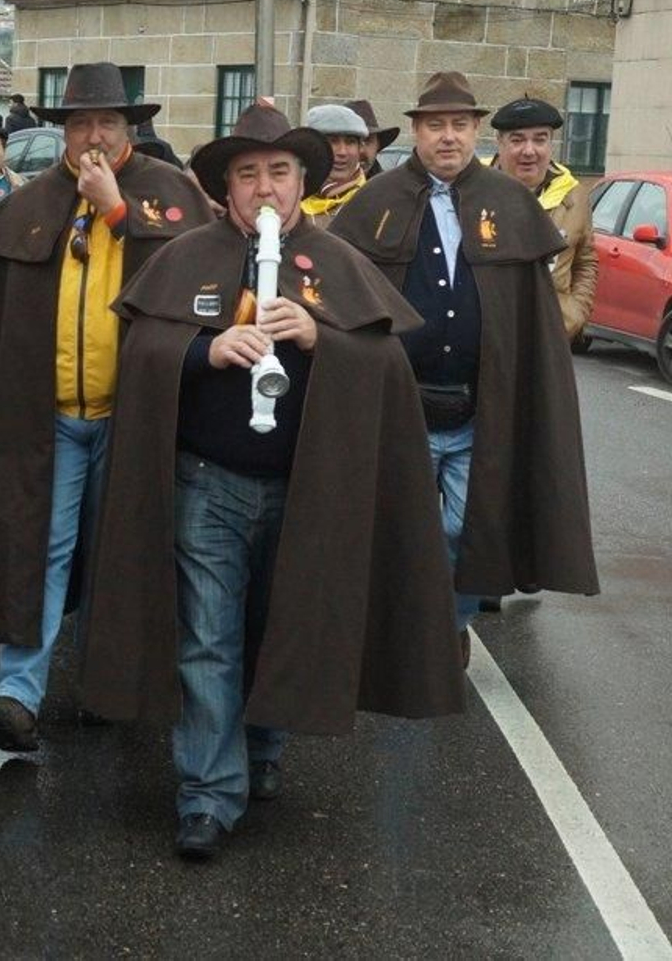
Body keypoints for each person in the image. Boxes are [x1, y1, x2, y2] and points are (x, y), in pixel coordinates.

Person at [78, 103, 464, 860]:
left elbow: (386, 368)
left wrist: (326, 340)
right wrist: (204, 349)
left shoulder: (339, 259)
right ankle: (207, 793)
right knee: (207, 640)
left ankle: (261, 751)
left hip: (305, 490)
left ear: (301, 184)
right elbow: (146, 353)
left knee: (278, 627)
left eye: (278, 173)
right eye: (247, 174)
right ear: (224, 188)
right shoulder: (186, 254)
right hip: (206, 483)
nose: (264, 189)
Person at [0, 61, 213, 752]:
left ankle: (106, 683)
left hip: (135, 420)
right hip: (52, 420)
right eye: (81, 123)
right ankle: (16, 693)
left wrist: (117, 210)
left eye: (108, 123)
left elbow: (186, 285)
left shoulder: (168, 194)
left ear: (130, 128)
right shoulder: (33, 204)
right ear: (62, 131)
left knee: (116, 553)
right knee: (45, 548)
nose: (94, 136)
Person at [331, 72, 599, 660]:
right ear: (416, 132)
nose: (447, 138)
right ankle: (410, 636)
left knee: (462, 528)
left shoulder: (509, 203)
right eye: (434, 126)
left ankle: (448, 624)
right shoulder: (374, 202)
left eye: (458, 125)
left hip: (480, 408)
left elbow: (532, 308)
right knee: (402, 529)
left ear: (476, 131)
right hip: (401, 407)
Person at [490, 96, 598, 340]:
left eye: (540, 139)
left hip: (551, 336)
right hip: (488, 336)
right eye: (517, 140)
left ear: (551, 143)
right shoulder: (473, 190)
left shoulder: (574, 195)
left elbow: (585, 260)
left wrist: (575, 313)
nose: (529, 151)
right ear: (500, 142)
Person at [299, 104, 369, 227]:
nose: (342, 151)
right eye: (332, 141)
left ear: (360, 148)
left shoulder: (372, 202)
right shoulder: (288, 199)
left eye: (350, 142)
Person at [347, 99, 399, 178]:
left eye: (367, 141)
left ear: (378, 144)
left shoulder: (392, 188)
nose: (361, 150)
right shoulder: (322, 186)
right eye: (351, 142)